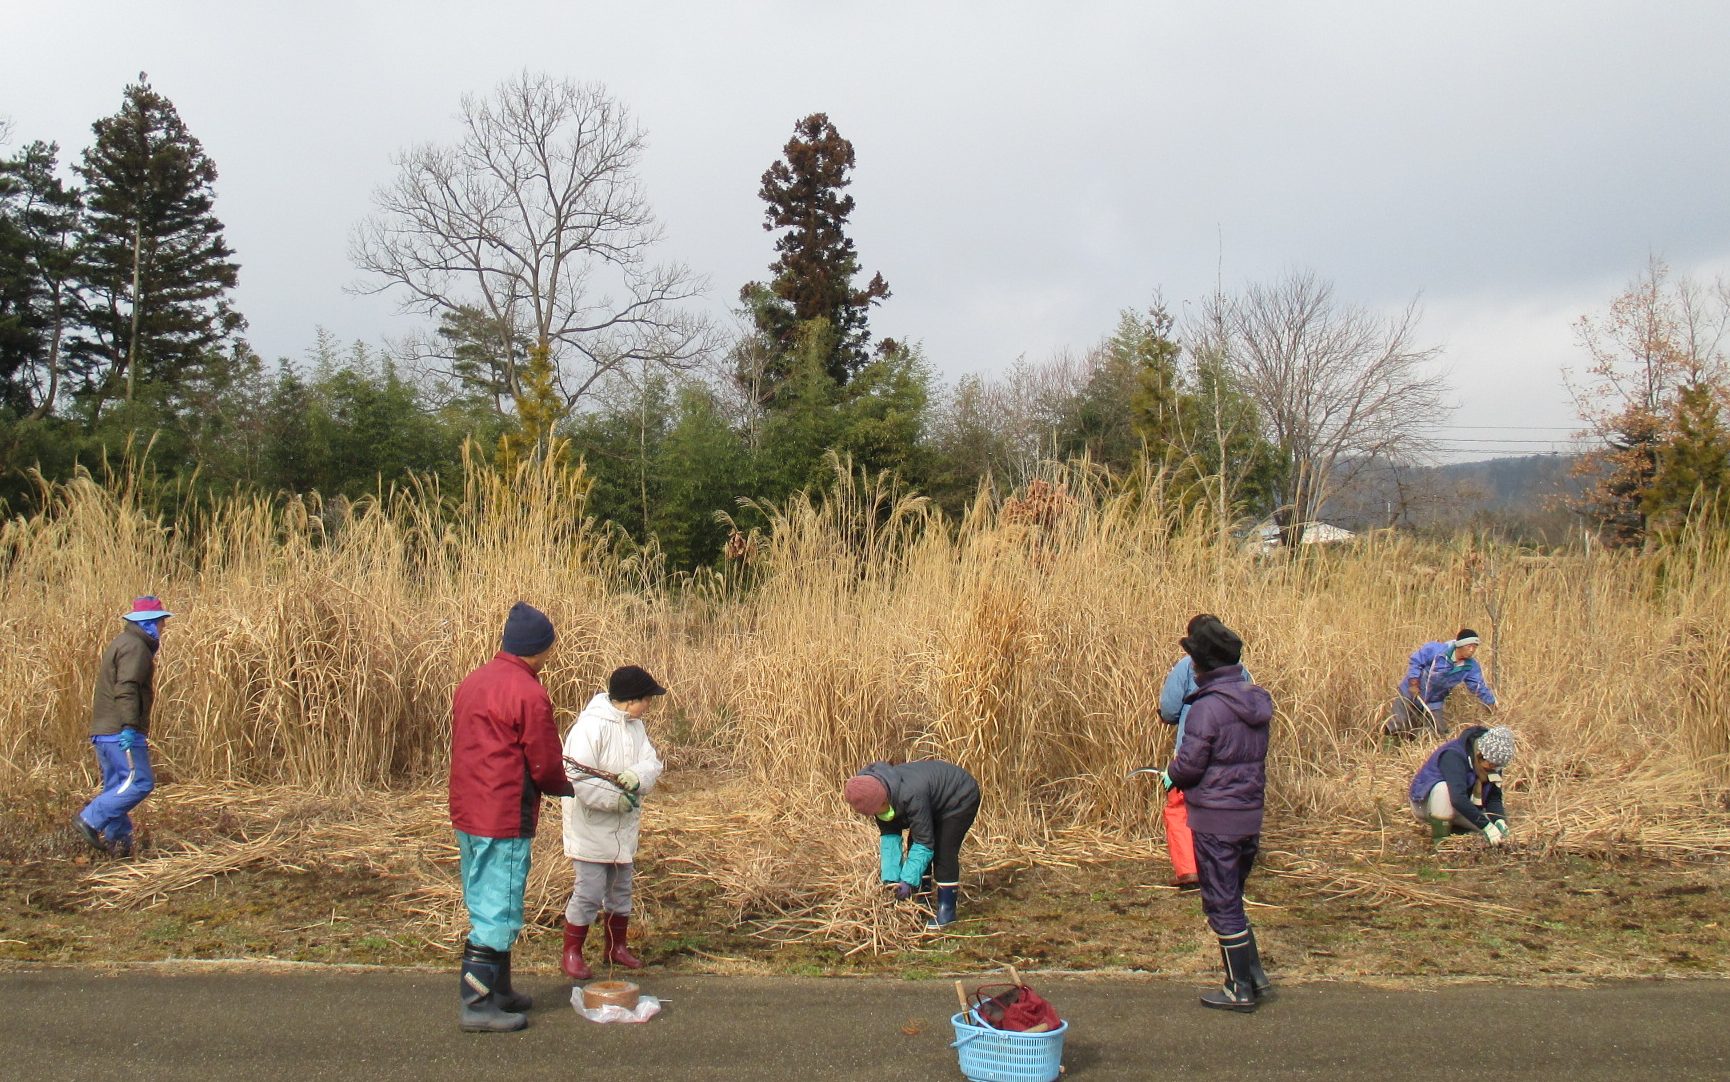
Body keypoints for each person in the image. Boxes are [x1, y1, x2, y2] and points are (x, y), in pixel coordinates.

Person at [448, 602, 575, 1034]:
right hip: (502, 813)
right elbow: (542, 759)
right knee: (498, 907)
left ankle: (498, 990)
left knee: (486, 897)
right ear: (536, 648)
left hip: (469, 809)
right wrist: (562, 785)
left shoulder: (473, 682)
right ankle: (477, 1003)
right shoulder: (528, 692)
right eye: (547, 648)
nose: (549, 656)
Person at [1163, 615, 1275, 1012]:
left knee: (1221, 903)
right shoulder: (1256, 701)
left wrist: (1170, 773)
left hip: (1214, 818)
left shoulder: (1208, 708)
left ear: (1202, 666)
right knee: (1234, 897)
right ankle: (1256, 978)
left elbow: (1190, 766)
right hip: (1248, 814)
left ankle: (1238, 987)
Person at [560, 664, 666, 981]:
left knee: (621, 892)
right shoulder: (589, 728)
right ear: (631, 699)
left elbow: (652, 762)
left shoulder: (636, 727)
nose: (649, 705)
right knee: (589, 891)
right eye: (646, 699)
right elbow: (575, 776)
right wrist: (614, 799)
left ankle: (615, 948)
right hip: (590, 827)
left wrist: (637, 777)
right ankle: (572, 952)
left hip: (624, 827)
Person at [1157, 614, 1255, 890]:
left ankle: (1189, 870)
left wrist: (1166, 717)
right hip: (1235, 755)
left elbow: (1170, 708)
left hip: (1193, 749)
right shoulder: (1240, 671)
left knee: (1180, 806)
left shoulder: (1188, 667)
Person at [76, 596, 173, 859]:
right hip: (120, 731)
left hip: (105, 731)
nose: (164, 627)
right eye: (162, 622)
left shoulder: (123, 642)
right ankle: (90, 819)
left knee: (117, 785)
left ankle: (120, 847)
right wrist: (130, 726)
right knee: (140, 782)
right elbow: (127, 687)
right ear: (150, 623)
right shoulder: (136, 647)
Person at [843, 759, 980, 929]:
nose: (883, 811)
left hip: (958, 796)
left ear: (886, 797)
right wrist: (891, 881)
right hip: (931, 801)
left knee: (943, 851)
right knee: (913, 842)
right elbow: (890, 839)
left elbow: (925, 842)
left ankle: (947, 911)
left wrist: (907, 880)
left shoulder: (911, 794)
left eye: (884, 806)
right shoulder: (871, 793)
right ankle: (923, 900)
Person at [1410, 725, 1515, 846]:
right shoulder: (1453, 756)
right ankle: (1441, 842)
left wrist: (1499, 820)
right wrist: (1486, 826)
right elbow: (1457, 799)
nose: (1494, 769)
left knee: (1492, 832)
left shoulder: (1494, 764)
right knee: (1443, 789)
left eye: (1497, 766)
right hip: (1425, 804)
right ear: (1480, 755)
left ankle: (1457, 829)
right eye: (1491, 765)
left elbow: (1494, 798)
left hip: (1461, 806)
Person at [1387, 629, 1497, 737]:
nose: (1472, 650)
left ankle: (1413, 738)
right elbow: (1416, 661)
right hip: (1410, 692)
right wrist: (1413, 683)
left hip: (1434, 700)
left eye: (1475, 647)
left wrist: (1491, 702)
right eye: (1469, 646)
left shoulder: (1470, 667)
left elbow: (1478, 687)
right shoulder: (1436, 650)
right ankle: (1385, 742)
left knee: (1438, 732)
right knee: (1396, 725)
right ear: (1460, 645)